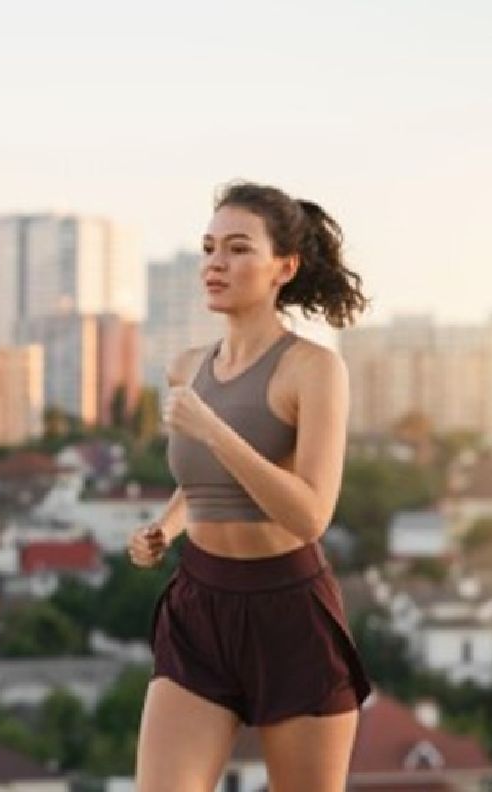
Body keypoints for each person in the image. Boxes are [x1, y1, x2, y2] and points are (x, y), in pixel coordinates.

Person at [129, 181, 373, 791]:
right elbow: (204, 485)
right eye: (209, 247)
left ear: (283, 267)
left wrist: (214, 429)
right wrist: (165, 527)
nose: (215, 262)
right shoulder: (187, 366)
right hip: (200, 608)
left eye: (238, 249)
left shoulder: (313, 369)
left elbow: (311, 514)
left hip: (290, 613)